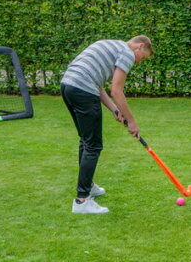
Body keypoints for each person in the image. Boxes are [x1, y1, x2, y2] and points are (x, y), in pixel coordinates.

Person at [60, 35, 153, 214]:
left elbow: (98, 85)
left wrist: (114, 110)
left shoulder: (111, 45)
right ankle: (82, 201)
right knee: (93, 145)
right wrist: (132, 122)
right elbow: (116, 90)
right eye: (142, 57)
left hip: (68, 86)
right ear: (140, 46)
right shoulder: (127, 53)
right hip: (82, 89)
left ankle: (87, 185)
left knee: (86, 141)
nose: (139, 62)